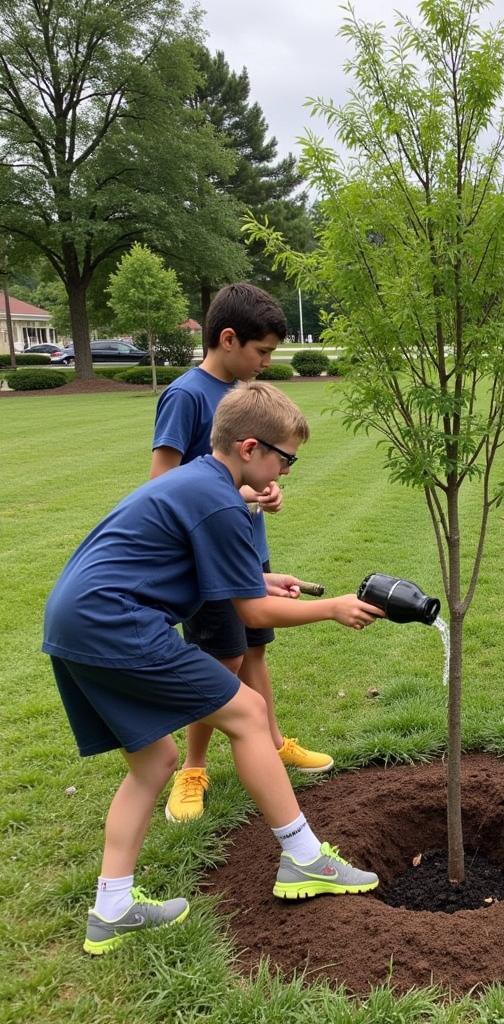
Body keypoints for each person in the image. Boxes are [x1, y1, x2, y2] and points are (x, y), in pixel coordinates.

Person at [43, 383, 386, 955]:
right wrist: (331, 607)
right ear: (250, 447)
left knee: (155, 760)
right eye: (285, 456)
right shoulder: (223, 500)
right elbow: (250, 612)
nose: (287, 469)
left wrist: (264, 579)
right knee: (249, 711)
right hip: (113, 620)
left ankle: (112, 908)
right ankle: (304, 859)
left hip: (73, 621)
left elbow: (225, 581)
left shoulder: (201, 482)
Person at [151, 283, 333, 827]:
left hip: (247, 549)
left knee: (253, 651)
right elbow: (163, 480)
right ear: (228, 339)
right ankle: (193, 766)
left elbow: (247, 473)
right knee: (219, 660)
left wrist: (266, 492)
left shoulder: (247, 397)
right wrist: (239, 493)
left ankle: (272, 741)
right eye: (262, 351)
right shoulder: (186, 395)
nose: (266, 362)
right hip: (205, 560)